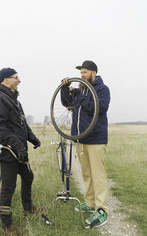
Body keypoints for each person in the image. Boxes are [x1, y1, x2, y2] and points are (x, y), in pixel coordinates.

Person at [0, 68, 42, 235]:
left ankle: (28, 208)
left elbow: (22, 124)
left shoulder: (14, 100)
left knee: (28, 176)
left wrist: (32, 138)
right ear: (5, 80)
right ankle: (7, 225)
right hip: (7, 152)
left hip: (20, 151)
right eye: (16, 78)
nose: (19, 80)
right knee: (8, 187)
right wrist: (17, 145)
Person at [61, 60, 110, 227]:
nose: (81, 75)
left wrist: (79, 95)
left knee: (98, 174)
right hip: (81, 139)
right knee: (87, 174)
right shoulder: (82, 90)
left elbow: (96, 108)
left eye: (84, 72)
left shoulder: (102, 90)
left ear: (93, 73)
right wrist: (65, 89)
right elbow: (68, 105)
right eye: (81, 73)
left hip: (96, 139)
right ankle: (89, 203)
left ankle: (102, 208)